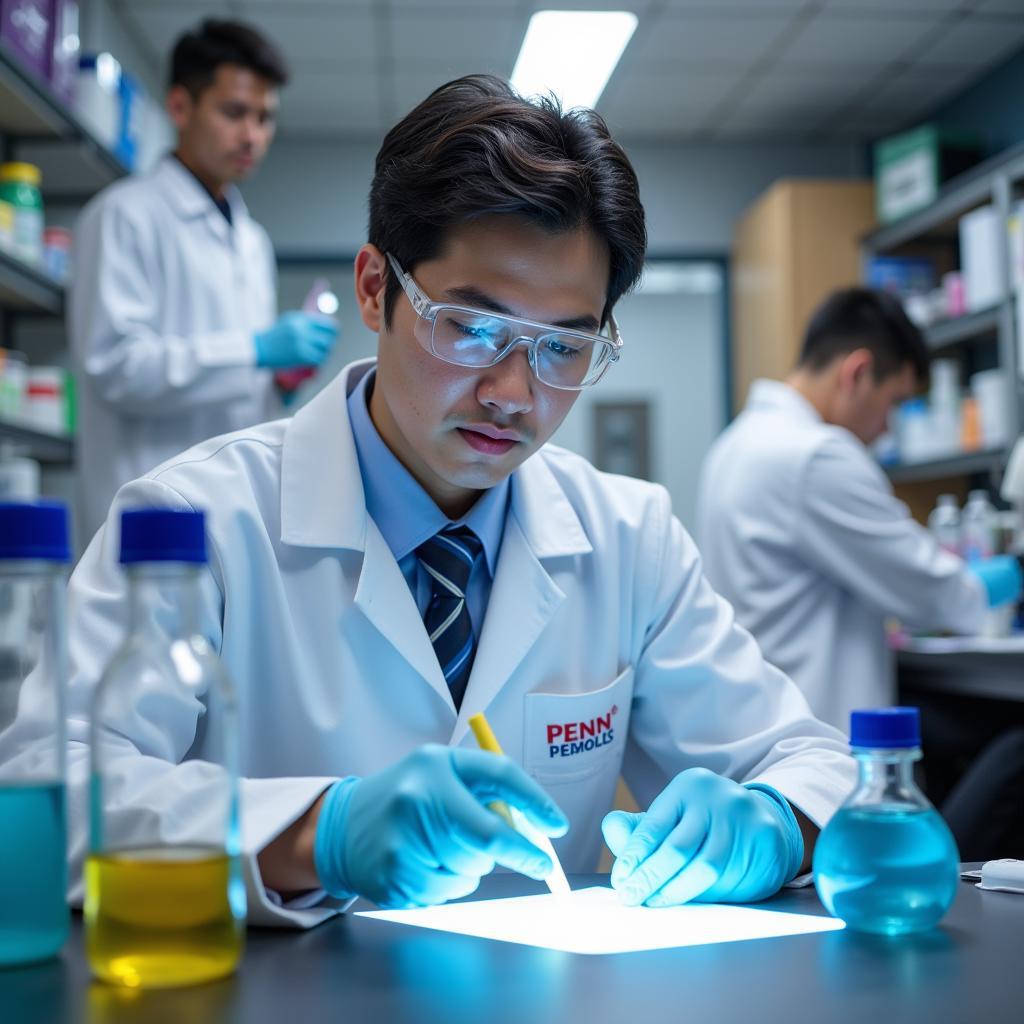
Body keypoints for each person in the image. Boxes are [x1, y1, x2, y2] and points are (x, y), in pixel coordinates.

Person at [6, 75, 854, 928]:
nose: (514, 393)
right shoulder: (199, 519)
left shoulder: (630, 538)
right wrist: (314, 835)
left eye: (563, 345)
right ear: (375, 288)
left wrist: (777, 823)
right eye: (473, 326)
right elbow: (51, 786)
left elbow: (811, 760)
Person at [696, 287, 1022, 732]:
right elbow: (934, 594)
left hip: (760, 721)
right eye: (894, 403)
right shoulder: (815, 456)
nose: (887, 429)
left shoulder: (736, 444)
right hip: (817, 732)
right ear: (858, 372)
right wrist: (1016, 571)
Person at [70, 19, 339, 540]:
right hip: (141, 511)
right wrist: (255, 350)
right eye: (234, 112)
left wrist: (276, 383)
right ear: (179, 107)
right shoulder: (124, 215)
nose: (252, 135)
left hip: (234, 511)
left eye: (265, 118)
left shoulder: (252, 241)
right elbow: (116, 367)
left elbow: (231, 387)